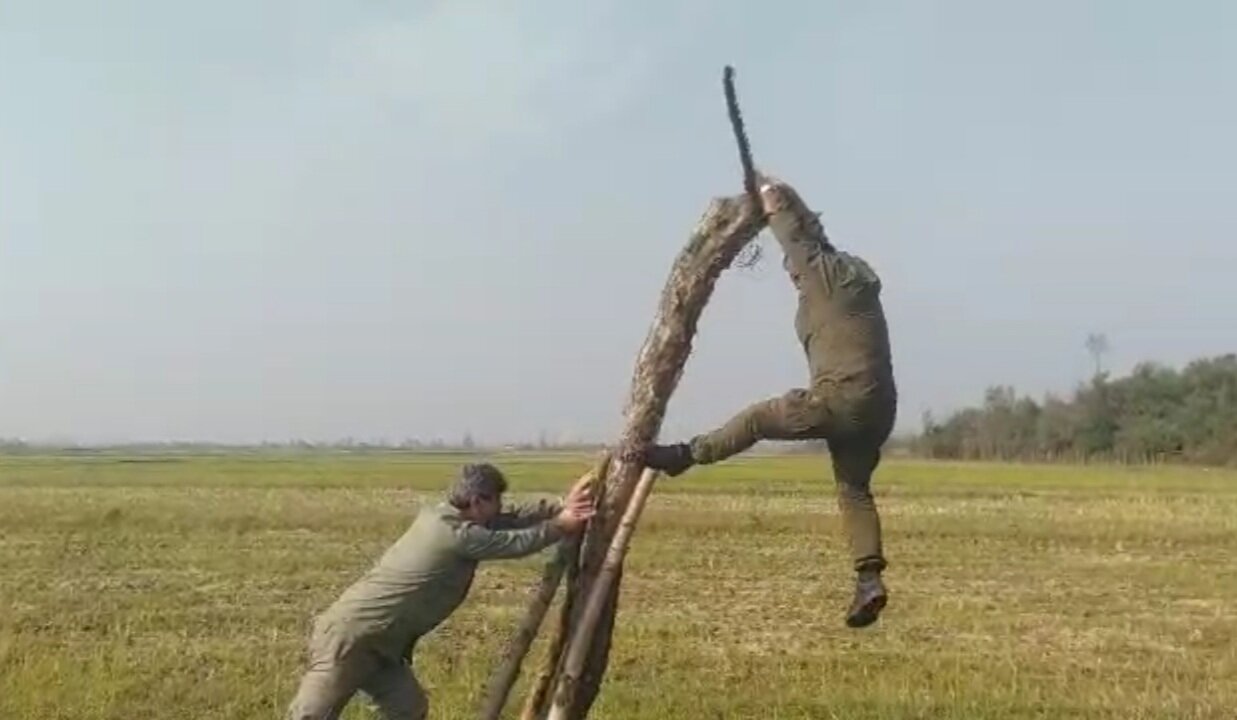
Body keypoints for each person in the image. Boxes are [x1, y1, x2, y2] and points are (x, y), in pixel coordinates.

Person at [640, 175, 898, 629]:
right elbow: (813, 233)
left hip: (839, 400)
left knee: (760, 419)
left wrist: (769, 195)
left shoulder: (819, 275)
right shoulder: (850, 276)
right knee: (853, 489)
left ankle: (686, 455)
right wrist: (777, 185)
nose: (791, 273)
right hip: (879, 409)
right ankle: (868, 579)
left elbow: (793, 232)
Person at [284, 462, 595, 720]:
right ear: (476, 502)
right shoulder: (452, 533)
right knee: (312, 715)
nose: (498, 509)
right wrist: (561, 525)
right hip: (350, 638)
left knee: (409, 708)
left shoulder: (448, 517)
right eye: (494, 502)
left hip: (383, 646)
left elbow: (509, 518)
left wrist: (559, 505)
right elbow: (512, 542)